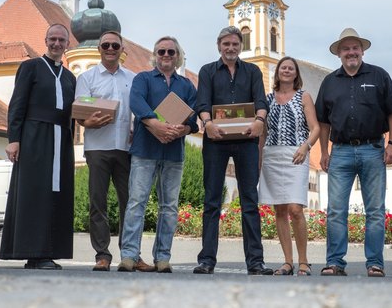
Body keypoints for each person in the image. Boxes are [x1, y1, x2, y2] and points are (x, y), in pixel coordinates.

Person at [315, 28, 392, 278]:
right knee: (335, 210)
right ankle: (335, 262)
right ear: (339, 53)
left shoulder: (379, 75)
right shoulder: (330, 82)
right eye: (346, 48)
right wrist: (323, 151)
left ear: (362, 50)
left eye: (355, 48)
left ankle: (375, 263)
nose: (351, 52)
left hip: (373, 148)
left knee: (374, 210)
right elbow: (323, 122)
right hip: (340, 151)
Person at [193, 25, 273, 275]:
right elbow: (202, 103)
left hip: (247, 140)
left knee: (249, 200)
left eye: (235, 44)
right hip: (216, 140)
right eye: (226, 44)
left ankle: (255, 262)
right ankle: (207, 260)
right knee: (212, 201)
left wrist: (260, 121)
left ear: (240, 46)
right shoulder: (207, 71)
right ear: (219, 46)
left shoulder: (253, 71)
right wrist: (207, 124)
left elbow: (261, 102)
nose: (231, 48)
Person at [118, 36, 198, 273]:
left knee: (169, 207)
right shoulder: (142, 79)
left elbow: (194, 117)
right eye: (161, 51)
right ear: (154, 55)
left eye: (171, 52)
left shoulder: (186, 85)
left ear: (178, 56)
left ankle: (162, 257)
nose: (166, 55)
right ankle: (129, 256)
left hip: (174, 153)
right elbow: (136, 102)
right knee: (136, 203)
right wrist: (156, 126)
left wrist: (183, 129)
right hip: (145, 150)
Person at [0, 23, 76, 270]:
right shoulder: (30, 67)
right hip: (34, 137)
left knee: (56, 194)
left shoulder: (69, 77)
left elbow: (74, 113)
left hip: (61, 140)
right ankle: (34, 252)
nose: (56, 44)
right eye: (52, 39)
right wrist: (14, 138)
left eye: (61, 40)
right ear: (46, 40)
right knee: (34, 194)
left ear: (67, 44)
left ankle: (49, 252)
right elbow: (17, 104)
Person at [75, 31, 152, 272]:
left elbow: (141, 111)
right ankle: (102, 254)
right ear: (99, 49)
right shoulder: (87, 78)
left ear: (121, 50)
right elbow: (80, 112)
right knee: (98, 202)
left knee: (130, 204)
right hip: (97, 147)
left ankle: (131, 254)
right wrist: (87, 123)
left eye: (115, 45)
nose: (110, 48)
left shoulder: (133, 78)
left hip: (126, 148)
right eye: (106, 45)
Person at [258, 56, 320, 276]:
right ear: (277, 73)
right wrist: (259, 160)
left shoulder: (304, 96)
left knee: (296, 208)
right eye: (283, 68)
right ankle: (287, 261)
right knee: (279, 210)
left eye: (290, 68)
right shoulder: (267, 99)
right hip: (272, 155)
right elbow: (263, 133)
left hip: (296, 154)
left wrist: (305, 147)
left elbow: (315, 128)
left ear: (296, 73)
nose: (286, 71)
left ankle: (304, 261)